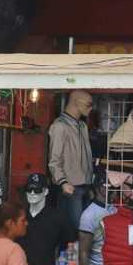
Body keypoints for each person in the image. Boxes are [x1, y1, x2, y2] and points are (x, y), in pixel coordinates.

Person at [47, 90, 95, 232]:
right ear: (76, 102)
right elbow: (54, 159)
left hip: (85, 186)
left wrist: (90, 184)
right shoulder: (59, 126)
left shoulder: (82, 126)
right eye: (88, 104)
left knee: (85, 230)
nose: (91, 108)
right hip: (70, 188)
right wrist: (63, 182)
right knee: (74, 231)